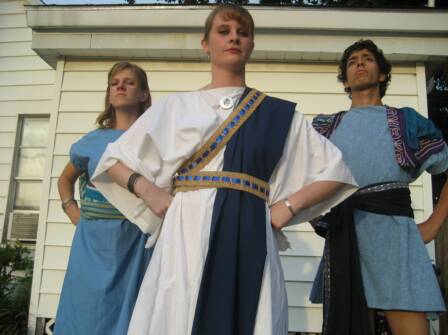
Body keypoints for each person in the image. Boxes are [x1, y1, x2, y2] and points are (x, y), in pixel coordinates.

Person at [92, 5, 357, 335]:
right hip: (187, 230)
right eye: (224, 31)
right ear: (205, 44)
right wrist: (148, 190)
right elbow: (112, 162)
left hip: (251, 230)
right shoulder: (176, 106)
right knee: (181, 312)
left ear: (251, 45)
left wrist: (288, 207)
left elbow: (336, 171)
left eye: (243, 33)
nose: (234, 37)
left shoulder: (277, 114)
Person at [311, 39, 448, 335]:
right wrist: (318, 216)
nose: (359, 63)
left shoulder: (407, 122)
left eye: (367, 59)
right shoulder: (325, 128)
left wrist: (434, 225)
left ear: (382, 74)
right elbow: (300, 179)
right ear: (345, 80)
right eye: (352, 62)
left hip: (397, 243)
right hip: (346, 241)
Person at [53, 61, 153, 335]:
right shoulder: (92, 141)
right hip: (92, 243)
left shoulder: (154, 139)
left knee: (132, 316)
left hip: (135, 242)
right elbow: (65, 179)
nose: (120, 86)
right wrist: (70, 208)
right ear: (109, 93)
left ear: (144, 94)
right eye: (114, 82)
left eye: (129, 82)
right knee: (86, 314)